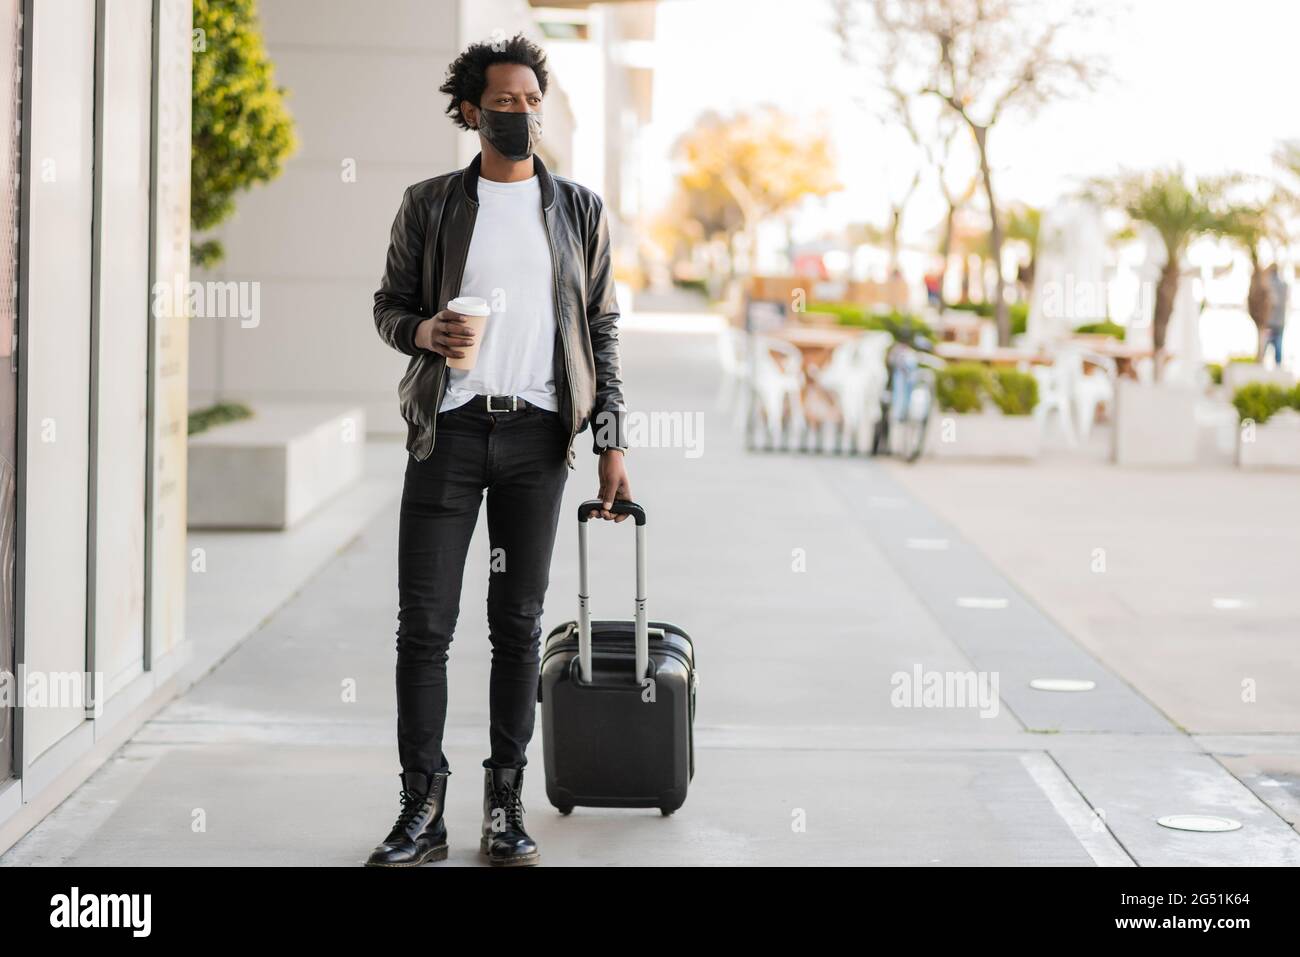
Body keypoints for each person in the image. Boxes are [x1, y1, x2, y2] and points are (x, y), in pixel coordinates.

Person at [366, 35, 631, 867]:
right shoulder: (431, 203)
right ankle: (422, 808)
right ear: (471, 111)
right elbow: (387, 305)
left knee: (515, 626)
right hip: (447, 434)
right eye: (505, 102)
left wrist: (610, 438)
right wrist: (422, 330)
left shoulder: (579, 209)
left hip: (534, 442)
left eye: (531, 101)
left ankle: (504, 806)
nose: (522, 114)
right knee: (425, 627)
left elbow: (602, 329)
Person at [1265, 264, 1288, 366]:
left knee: (1266, 345)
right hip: (1281, 321)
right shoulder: (1284, 285)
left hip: (1270, 322)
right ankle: (1278, 365)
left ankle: (1262, 364)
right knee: (1279, 346)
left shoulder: (1268, 284)